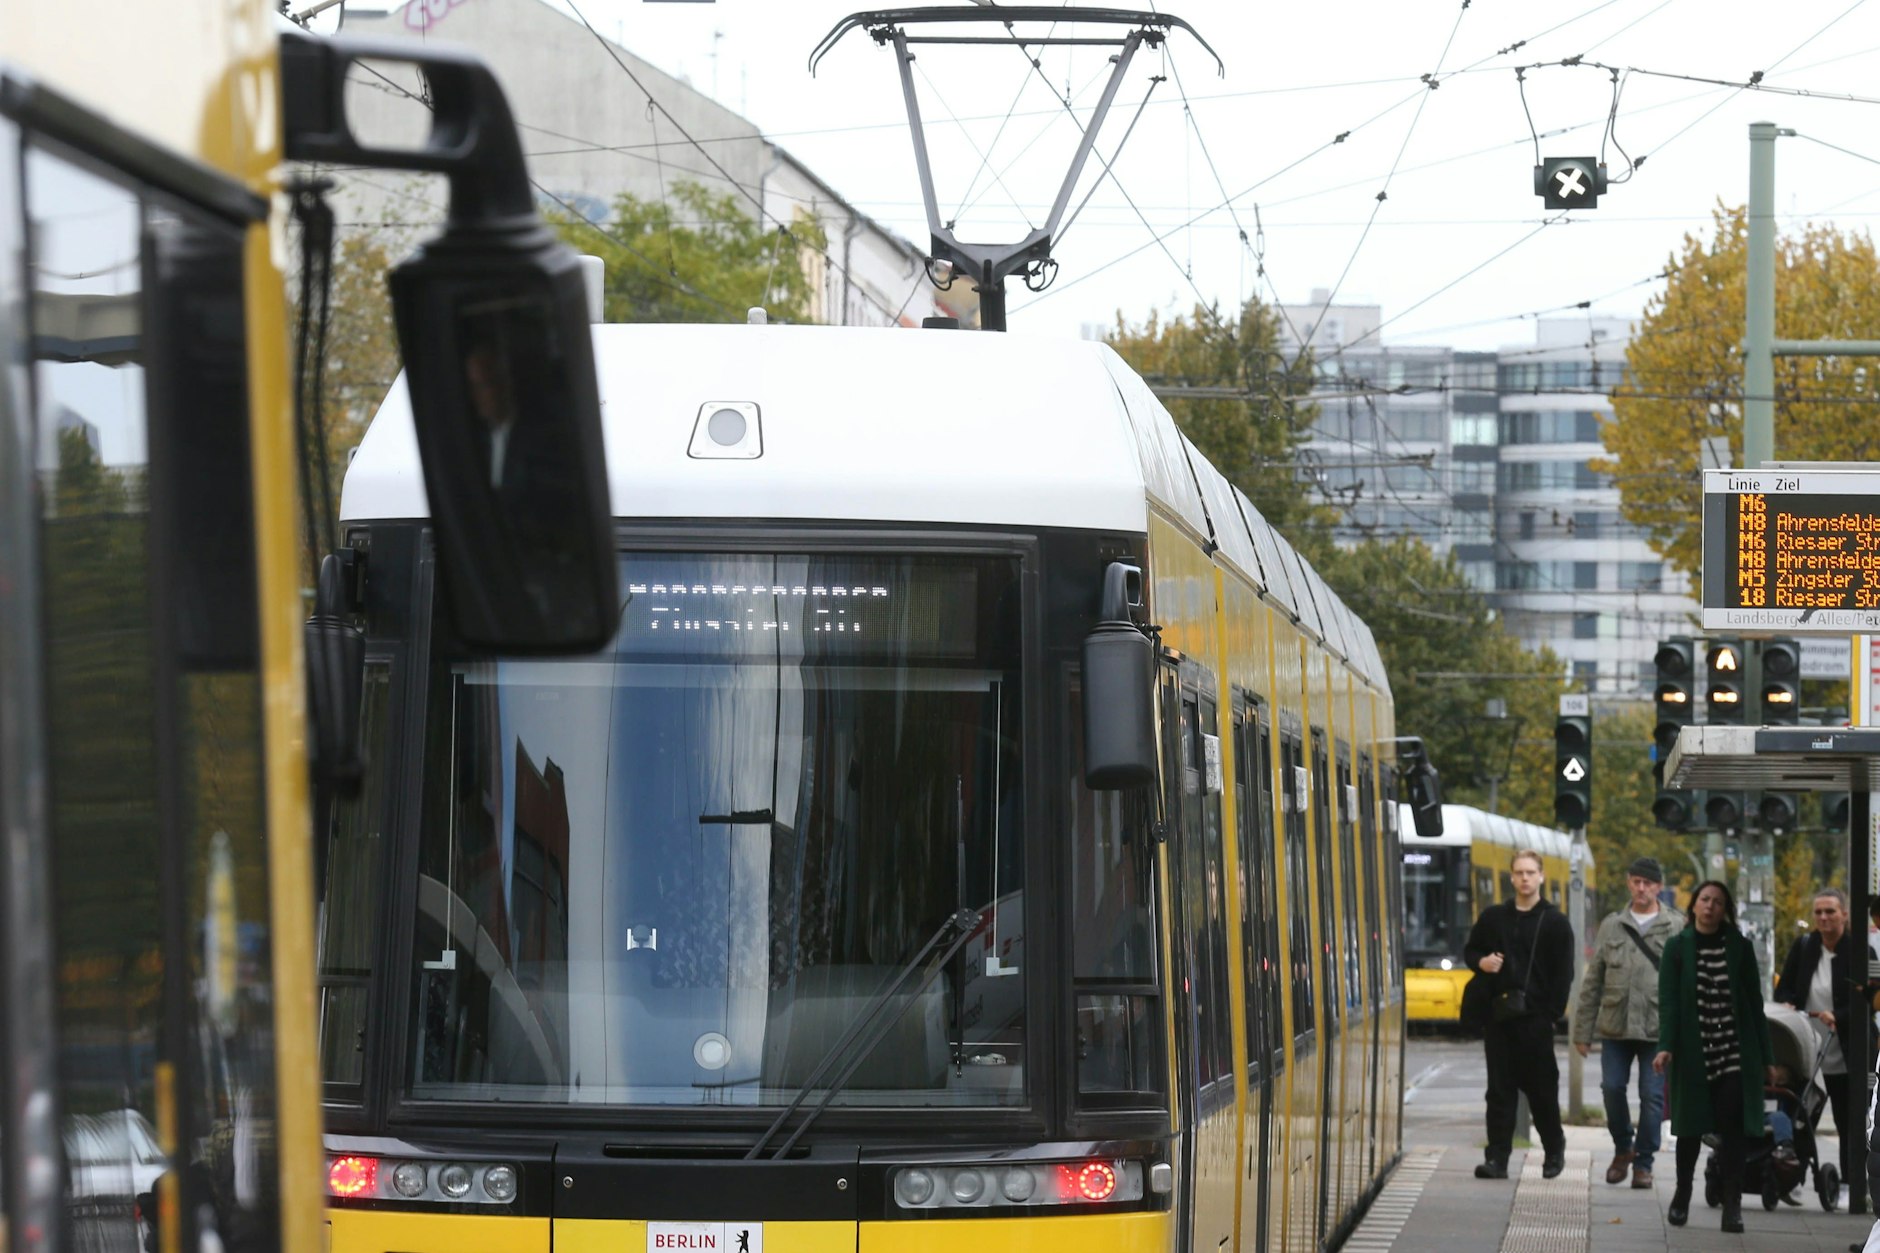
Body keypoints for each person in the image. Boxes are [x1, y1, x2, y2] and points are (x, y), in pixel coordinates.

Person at [1655, 880, 1775, 1235]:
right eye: (1705, 900)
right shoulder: (1677, 948)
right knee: (1690, 1128)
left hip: (1735, 1052)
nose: (1710, 906)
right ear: (1693, 906)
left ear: (1726, 909)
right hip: (1693, 1052)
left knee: (1732, 1130)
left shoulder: (1739, 947)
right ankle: (1682, 1192)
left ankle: (1732, 1204)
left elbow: (1754, 1003)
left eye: (1718, 902)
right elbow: (1669, 1003)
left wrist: (1768, 1056)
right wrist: (1666, 1046)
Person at [1572, 855, 1685, 1190]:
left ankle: (1644, 1163)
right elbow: (1593, 983)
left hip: (1657, 1030)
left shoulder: (1676, 926)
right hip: (1616, 1026)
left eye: (1648, 883)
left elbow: (1685, 983)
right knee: (1611, 1089)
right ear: (1628, 882)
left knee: (1652, 1097)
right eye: (1636, 881)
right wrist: (1582, 1032)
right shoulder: (1612, 925)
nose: (1641, 888)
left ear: (1659, 888)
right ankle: (1624, 1148)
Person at [1462, 848, 1575, 1181]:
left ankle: (1554, 1150)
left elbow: (1563, 974)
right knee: (1499, 1091)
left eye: (1530, 872)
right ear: (1511, 877)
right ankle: (1497, 1158)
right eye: (1519, 873)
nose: (1525, 878)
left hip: (1536, 1020)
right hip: (1498, 1017)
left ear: (1540, 876)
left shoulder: (1555, 922)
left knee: (1542, 1091)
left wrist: (1550, 1016)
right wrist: (1481, 963)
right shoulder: (1494, 917)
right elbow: (1471, 950)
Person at [1776, 886, 1868, 1196]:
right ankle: (1790, 1176)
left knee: (1848, 1118)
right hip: (1806, 1048)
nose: (1824, 917)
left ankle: (1850, 1182)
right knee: (1799, 1114)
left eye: (1830, 911)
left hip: (1844, 1048)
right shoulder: (1804, 947)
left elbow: (1866, 999)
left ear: (1844, 914)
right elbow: (1785, 989)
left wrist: (1837, 1015)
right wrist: (1788, 1005)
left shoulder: (1860, 951)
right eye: (1818, 912)